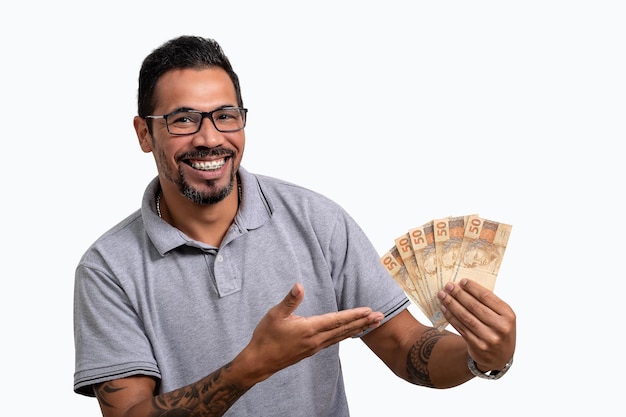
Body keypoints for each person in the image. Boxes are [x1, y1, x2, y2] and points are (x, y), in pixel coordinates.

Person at [73, 35, 516, 417]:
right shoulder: (108, 268)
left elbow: (405, 348)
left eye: (225, 115)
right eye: (183, 120)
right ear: (144, 133)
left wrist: (482, 357)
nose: (210, 138)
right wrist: (250, 367)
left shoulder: (317, 221)